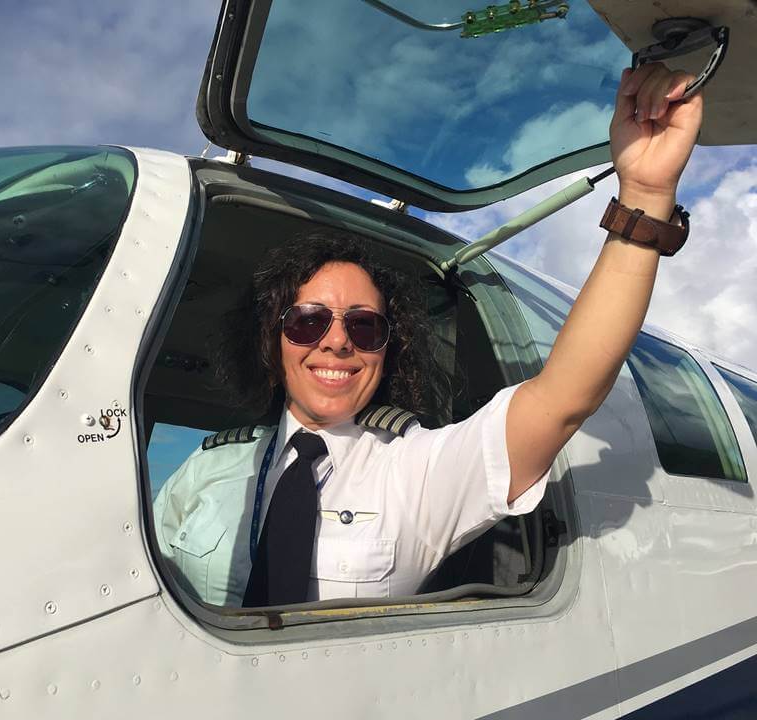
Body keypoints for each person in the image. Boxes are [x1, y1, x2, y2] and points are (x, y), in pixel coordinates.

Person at [154, 62, 702, 608]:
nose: (337, 341)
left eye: (365, 326)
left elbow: (562, 398)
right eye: (308, 320)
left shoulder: (415, 470)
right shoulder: (205, 469)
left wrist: (646, 195)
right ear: (272, 343)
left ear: (388, 352)